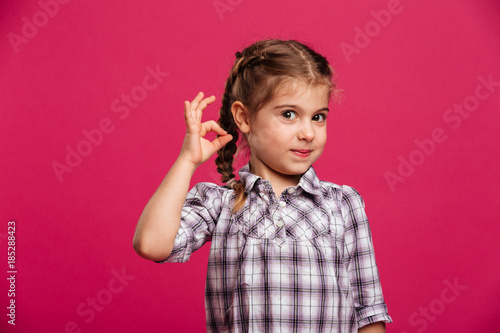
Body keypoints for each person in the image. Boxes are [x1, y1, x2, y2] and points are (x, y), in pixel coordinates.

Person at [133, 39, 392, 332]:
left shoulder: (343, 203)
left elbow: (368, 313)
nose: (308, 132)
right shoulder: (219, 204)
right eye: (289, 114)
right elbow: (151, 245)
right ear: (244, 117)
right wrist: (187, 161)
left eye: (318, 117)